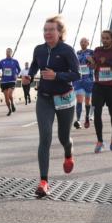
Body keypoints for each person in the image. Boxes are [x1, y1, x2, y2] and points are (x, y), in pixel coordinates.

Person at [26, 15, 80, 198]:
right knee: (45, 138)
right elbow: (34, 66)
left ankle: (68, 151)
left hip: (64, 98)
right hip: (45, 98)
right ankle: (43, 181)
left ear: (60, 32)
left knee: (63, 136)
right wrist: (29, 76)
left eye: (51, 30)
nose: (47, 33)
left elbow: (77, 74)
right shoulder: (39, 50)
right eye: (45, 30)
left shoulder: (67, 50)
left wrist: (57, 76)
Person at [89, 29, 112, 152]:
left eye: (107, 38)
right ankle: (100, 141)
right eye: (103, 38)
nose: (104, 40)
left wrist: (108, 62)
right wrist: (91, 63)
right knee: (97, 113)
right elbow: (94, 65)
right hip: (98, 86)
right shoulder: (97, 50)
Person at [73, 37, 94, 129]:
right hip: (79, 80)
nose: (83, 43)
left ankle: (87, 117)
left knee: (87, 101)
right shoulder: (77, 53)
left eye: (85, 41)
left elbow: (94, 66)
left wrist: (92, 60)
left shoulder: (92, 52)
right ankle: (78, 120)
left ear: (88, 43)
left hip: (88, 80)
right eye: (81, 41)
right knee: (79, 100)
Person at [0, 48, 22, 115]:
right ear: (5, 53)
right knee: (6, 97)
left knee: (10, 94)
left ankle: (12, 103)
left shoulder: (15, 61)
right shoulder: (2, 61)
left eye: (9, 52)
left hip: (12, 80)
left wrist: (17, 75)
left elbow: (19, 70)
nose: (8, 53)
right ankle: (9, 109)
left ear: (11, 53)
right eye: (7, 51)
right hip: (4, 81)